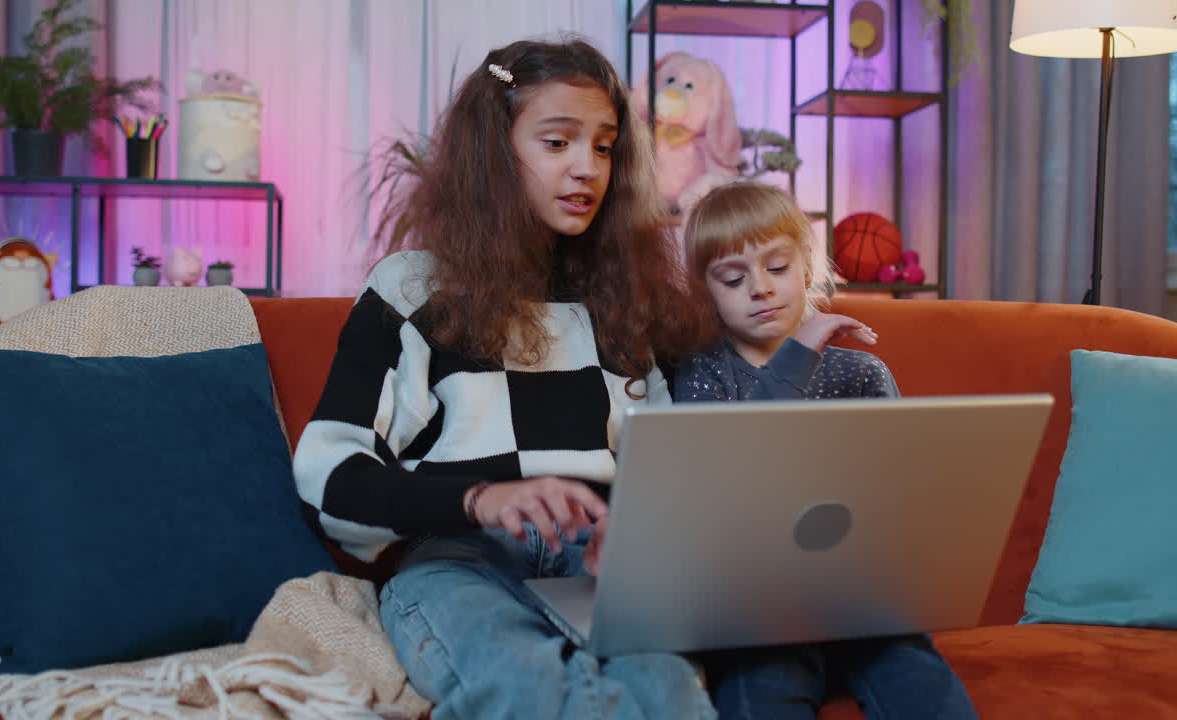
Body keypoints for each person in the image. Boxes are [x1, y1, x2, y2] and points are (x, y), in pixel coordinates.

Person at [294, 38, 719, 719]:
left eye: (605, 147)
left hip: (596, 566)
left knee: (668, 692)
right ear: (495, 152)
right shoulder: (411, 287)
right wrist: (480, 499)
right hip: (460, 561)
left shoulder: (622, 297)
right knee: (523, 685)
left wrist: (639, 530)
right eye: (557, 143)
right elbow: (328, 475)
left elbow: (665, 466)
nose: (587, 168)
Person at [673, 180, 978, 719]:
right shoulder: (703, 373)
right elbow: (728, 478)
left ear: (808, 268)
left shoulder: (860, 373)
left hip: (863, 603)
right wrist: (798, 354)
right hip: (758, 615)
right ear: (706, 292)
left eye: (777, 267)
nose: (761, 289)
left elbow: (899, 490)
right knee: (759, 696)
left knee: (924, 688)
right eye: (734, 278)